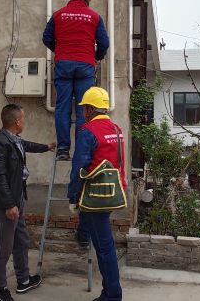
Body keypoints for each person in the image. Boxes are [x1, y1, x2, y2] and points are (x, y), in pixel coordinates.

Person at [0, 104, 56, 301]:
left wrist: (46, 147)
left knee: (21, 240)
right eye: (23, 118)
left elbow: (26, 146)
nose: (24, 121)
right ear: (17, 122)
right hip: (4, 203)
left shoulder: (14, 139)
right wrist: (9, 205)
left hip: (17, 198)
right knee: (2, 247)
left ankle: (24, 280)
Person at [68, 87, 126, 301]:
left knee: (104, 248)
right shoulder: (116, 128)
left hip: (95, 196)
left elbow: (78, 168)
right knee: (94, 231)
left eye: (84, 108)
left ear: (90, 109)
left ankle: (112, 295)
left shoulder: (87, 131)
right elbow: (119, 162)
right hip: (113, 192)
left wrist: (73, 197)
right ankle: (83, 235)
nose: (83, 112)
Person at [42, 0, 110, 161]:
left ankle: (63, 149)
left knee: (62, 107)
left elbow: (46, 38)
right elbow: (104, 43)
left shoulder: (58, 15)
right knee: (83, 109)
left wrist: (59, 50)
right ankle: (81, 149)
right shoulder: (94, 17)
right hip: (86, 67)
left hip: (63, 65)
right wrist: (97, 56)